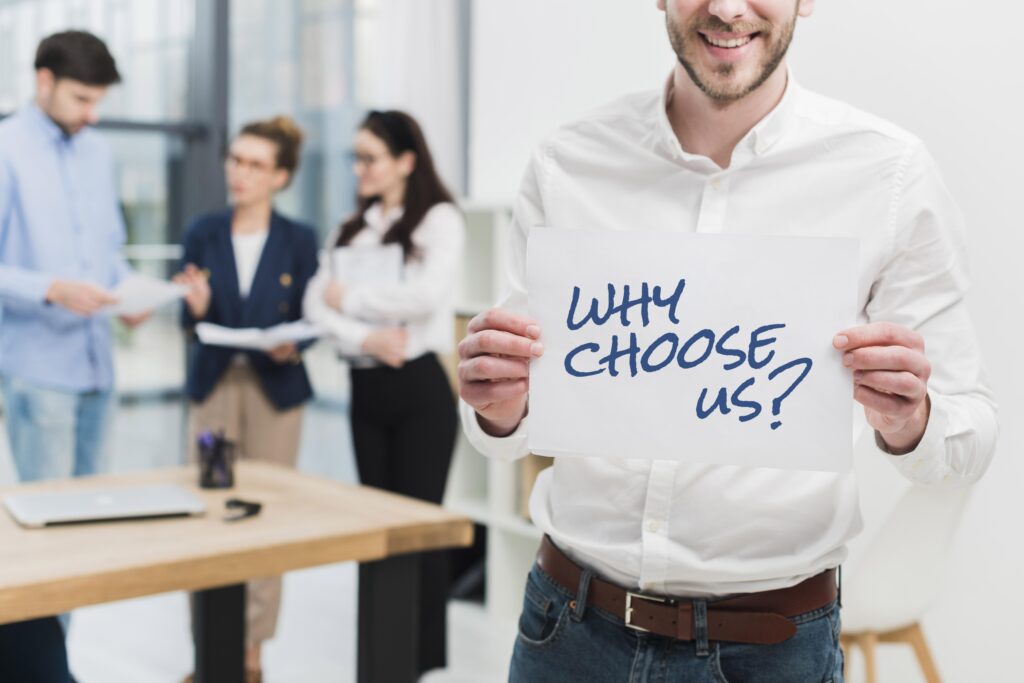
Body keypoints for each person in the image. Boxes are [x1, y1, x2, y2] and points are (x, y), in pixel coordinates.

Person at [457, 1, 998, 682]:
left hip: (771, 650)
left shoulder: (888, 175)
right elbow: (502, 429)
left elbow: (971, 438)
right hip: (569, 628)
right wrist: (496, 403)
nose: (726, 7)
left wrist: (912, 419)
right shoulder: (569, 163)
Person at [0, 30, 144, 678]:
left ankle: (54, 664)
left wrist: (131, 291)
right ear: (43, 81)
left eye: (98, 100)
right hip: (39, 369)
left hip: (96, 366)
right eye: (82, 97)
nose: (91, 112)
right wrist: (49, 288)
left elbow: (108, 249)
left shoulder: (99, 152)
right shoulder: (5, 148)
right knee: (44, 536)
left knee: (87, 530)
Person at [303, 110, 464, 675]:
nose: (359, 168)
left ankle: (417, 663)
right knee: (375, 529)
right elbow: (312, 303)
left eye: (370, 157)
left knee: (419, 529)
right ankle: (379, 659)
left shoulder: (439, 220)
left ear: (405, 161)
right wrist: (364, 330)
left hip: (419, 389)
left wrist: (348, 299)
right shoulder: (353, 226)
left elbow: (424, 297)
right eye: (356, 157)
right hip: (365, 384)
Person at [174, 115, 318, 683]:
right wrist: (197, 308)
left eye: (256, 164)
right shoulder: (202, 232)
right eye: (236, 159)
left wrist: (294, 342)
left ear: (280, 176)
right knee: (210, 508)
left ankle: (253, 652)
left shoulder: (299, 239)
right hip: (215, 390)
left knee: (267, 513)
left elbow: (312, 317)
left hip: (274, 395)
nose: (240, 172)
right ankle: (209, 649)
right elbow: (187, 316)